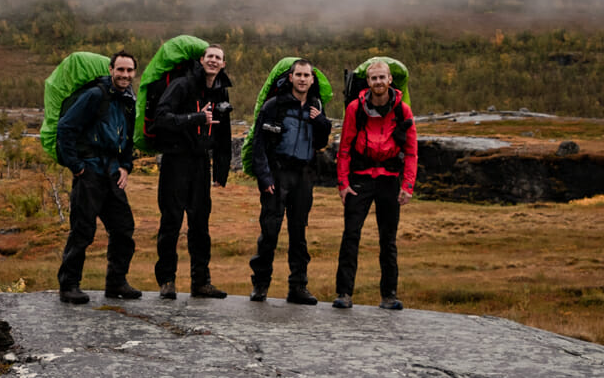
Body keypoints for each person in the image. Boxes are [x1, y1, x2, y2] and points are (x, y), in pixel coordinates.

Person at [54, 49, 141, 304]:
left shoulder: (128, 100)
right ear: (111, 70)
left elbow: (126, 138)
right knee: (82, 230)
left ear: (134, 73)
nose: (125, 75)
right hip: (90, 170)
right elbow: (65, 128)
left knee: (124, 228)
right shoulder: (95, 95)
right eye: (120, 70)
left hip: (113, 172)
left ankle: (116, 283)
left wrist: (126, 166)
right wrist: (77, 166)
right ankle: (69, 285)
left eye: (129, 70)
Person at [333, 58, 416, 311]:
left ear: (390, 80)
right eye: (374, 78)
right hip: (360, 178)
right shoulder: (355, 109)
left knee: (388, 240)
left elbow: (412, 151)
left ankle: (389, 296)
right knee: (351, 236)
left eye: (382, 77)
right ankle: (344, 294)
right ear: (367, 82)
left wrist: (408, 185)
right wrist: (343, 184)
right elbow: (344, 148)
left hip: (389, 179)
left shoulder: (403, 110)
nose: (378, 82)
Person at [151, 43, 232, 299]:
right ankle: (167, 281)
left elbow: (224, 134)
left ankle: (201, 282)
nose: (213, 61)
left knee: (200, 225)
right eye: (210, 56)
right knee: (171, 222)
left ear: (223, 64)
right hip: (175, 161)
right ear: (201, 60)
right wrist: (194, 118)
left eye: (218, 58)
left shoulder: (221, 92)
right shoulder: (182, 85)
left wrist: (221, 170)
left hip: (200, 164)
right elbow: (160, 118)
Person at [249, 59, 330, 305]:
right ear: (291, 77)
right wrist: (264, 177)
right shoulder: (274, 105)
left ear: (312, 80)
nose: (303, 79)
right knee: (270, 231)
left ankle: (298, 287)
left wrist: (320, 122)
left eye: (307, 75)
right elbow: (259, 144)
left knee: (299, 233)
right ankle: (260, 286)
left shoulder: (316, 106)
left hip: (304, 176)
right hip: (278, 173)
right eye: (299, 74)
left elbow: (322, 140)